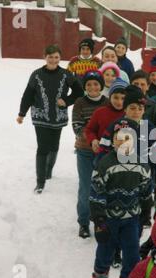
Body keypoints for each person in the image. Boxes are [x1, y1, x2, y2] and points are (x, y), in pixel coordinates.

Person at [89, 118, 154, 278]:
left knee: (132, 254)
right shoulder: (105, 163)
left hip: (131, 219)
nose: (123, 141)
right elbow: (96, 191)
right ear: (113, 140)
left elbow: (146, 191)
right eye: (119, 137)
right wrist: (99, 219)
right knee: (104, 252)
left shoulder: (142, 165)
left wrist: (146, 213)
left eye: (128, 138)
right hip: (109, 218)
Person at [17, 44, 84, 193]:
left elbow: (79, 92)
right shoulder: (36, 74)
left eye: (56, 57)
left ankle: (48, 171)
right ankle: (40, 182)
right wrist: (22, 113)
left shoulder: (67, 74)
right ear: (44, 57)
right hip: (40, 116)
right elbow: (27, 94)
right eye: (50, 57)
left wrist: (66, 101)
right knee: (42, 147)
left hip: (58, 117)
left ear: (60, 58)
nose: (53, 60)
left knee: (54, 146)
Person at [72, 70, 107, 238]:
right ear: (85, 86)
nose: (92, 87)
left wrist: (102, 142)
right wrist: (91, 140)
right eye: (88, 84)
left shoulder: (107, 102)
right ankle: (84, 222)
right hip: (85, 151)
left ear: (101, 86)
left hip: (104, 153)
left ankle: (101, 222)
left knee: (103, 188)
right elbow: (77, 126)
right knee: (86, 187)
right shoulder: (80, 102)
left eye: (95, 84)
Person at [84, 78, 128, 157]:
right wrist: (93, 140)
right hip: (103, 155)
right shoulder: (100, 112)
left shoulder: (131, 113)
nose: (119, 102)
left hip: (125, 155)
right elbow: (89, 130)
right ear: (110, 97)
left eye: (123, 98)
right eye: (116, 97)